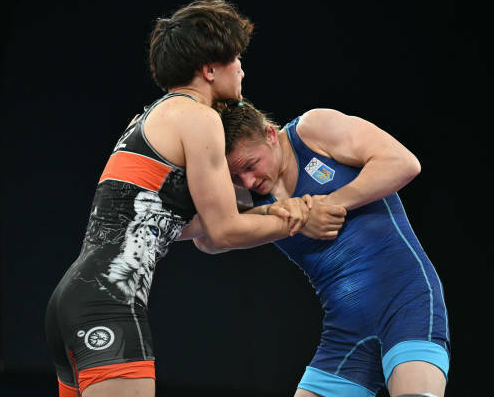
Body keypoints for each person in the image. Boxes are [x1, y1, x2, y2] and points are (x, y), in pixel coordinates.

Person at [44, 0, 338, 397]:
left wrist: (271, 209)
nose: (241, 69)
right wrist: (298, 219)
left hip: (72, 300)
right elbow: (222, 232)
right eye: (236, 58)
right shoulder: (199, 119)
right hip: (108, 302)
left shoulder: (145, 119)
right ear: (210, 69)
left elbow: (172, 225)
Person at [192, 99, 451, 397]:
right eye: (235, 176)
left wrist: (327, 204)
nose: (248, 181)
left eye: (251, 165)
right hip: (346, 330)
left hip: (406, 302)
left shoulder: (312, 131)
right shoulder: (248, 195)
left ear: (270, 134)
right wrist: (271, 212)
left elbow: (403, 163)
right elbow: (206, 238)